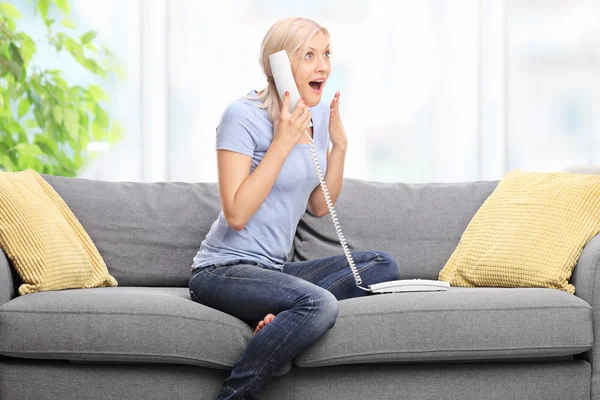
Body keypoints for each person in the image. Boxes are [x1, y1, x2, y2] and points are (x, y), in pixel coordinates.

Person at [188, 16, 401, 400]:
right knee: (318, 303)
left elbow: (320, 206)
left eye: (326, 54)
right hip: (222, 270)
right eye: (309, 56)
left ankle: (280, 321)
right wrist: (282, 142)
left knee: (382, 267)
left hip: (272, 269)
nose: (324, 66)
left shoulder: (313, 116)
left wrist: (338, 148)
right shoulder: (241, 116)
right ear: (280, 67)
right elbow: (236, 213)